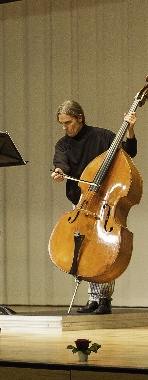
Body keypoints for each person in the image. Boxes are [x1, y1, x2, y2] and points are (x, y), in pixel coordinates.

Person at [51, 100, 138, 315]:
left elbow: (129, 152)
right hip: (80, 202)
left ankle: (105, 299)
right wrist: (59, 172)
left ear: (80, 118)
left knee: (103, 248)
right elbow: (61, 163)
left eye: (68, 123)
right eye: (62, 124)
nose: (65, 127)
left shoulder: (103, 136)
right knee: (86, 249)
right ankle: (93, 299)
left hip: (106, 202)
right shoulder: (63, 144)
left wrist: (130, 130)